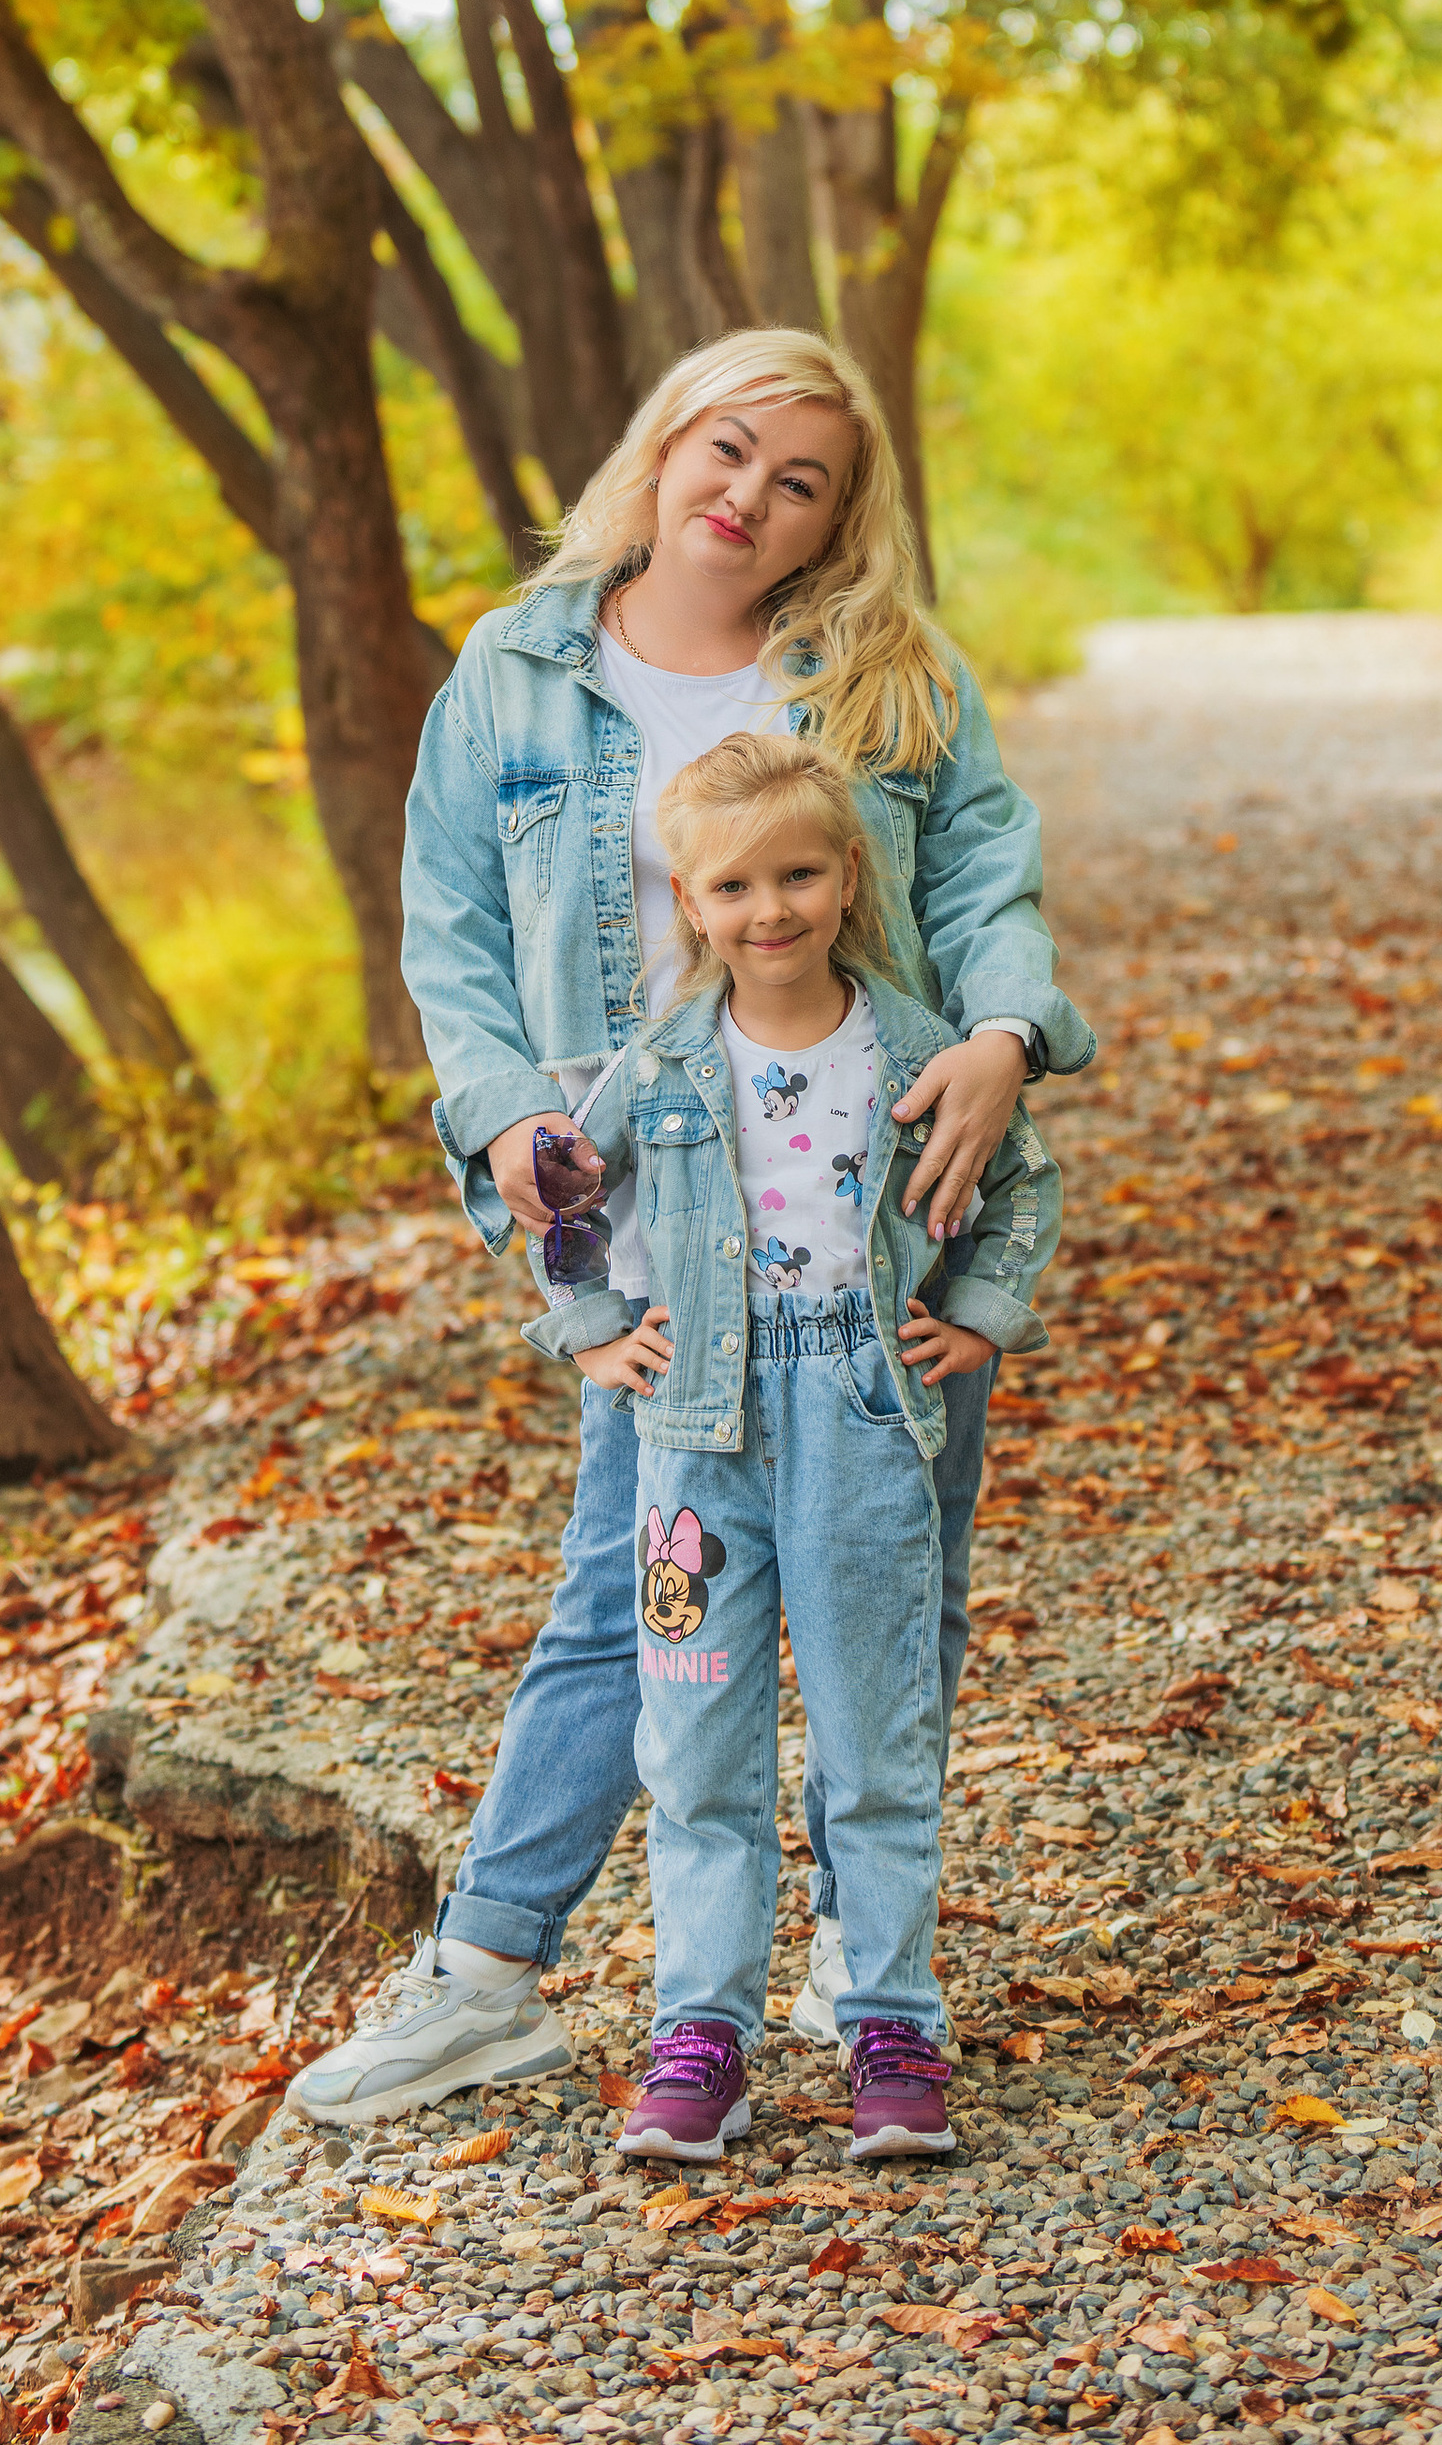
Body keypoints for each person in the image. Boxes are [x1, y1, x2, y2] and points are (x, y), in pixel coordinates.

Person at [286, 326, 1093, 2130]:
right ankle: (495, 1970)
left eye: (798, 479)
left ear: (832, 524)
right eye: (725, 450)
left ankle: (861, 1973)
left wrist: (1003, 1041)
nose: (748, 494)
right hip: (647, 1236)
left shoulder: (885, 674)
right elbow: (450, 941)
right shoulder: (511, 675)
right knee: (627, 1589)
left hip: (878, 1213)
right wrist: (499, 1120)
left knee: (897, 1594)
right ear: (660, 449)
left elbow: (983, 884)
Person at [581, 728, 1060, 2166]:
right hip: (696, 1437)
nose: (769, 910)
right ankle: (700, 2037)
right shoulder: (660, 1065)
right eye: (734, 886)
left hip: (863, 1410)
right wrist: (593, 1326)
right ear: (691, 903)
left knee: (875, 1725)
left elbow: (1022, 1180)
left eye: (799, 874)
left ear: (850, 878)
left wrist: (977, 1311)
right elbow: (556, 1194)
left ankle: (890, 2019)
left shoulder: (916, 1048)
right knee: (698, 1740)